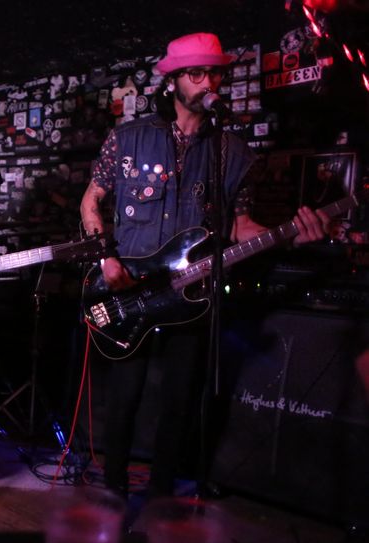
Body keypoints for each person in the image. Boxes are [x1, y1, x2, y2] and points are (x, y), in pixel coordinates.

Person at [79, 33, 329, 498]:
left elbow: (239, 226)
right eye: (196, 73)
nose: (208, 82)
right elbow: (90, 201)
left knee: (181, 398)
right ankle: (113, 487)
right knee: (126, 394)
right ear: (173, 80)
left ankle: (161, 493)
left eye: (214, 73)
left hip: (192, 294)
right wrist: (106, 258)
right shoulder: (128, 139)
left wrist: (292, 233)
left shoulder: (233, 153)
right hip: (131, 288)